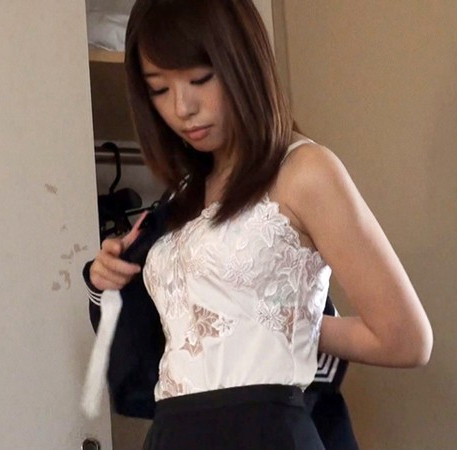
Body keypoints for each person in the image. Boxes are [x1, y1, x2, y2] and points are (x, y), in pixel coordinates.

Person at [86, 0, 433, 448]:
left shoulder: (305, 170)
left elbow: (406, 339)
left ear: (243, 62)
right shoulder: (184, 193)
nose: (182, 107)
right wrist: (110, 276)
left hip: (263, 432)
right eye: (159, 89)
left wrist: (283, 322)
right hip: (173, 431)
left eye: (200, 79)